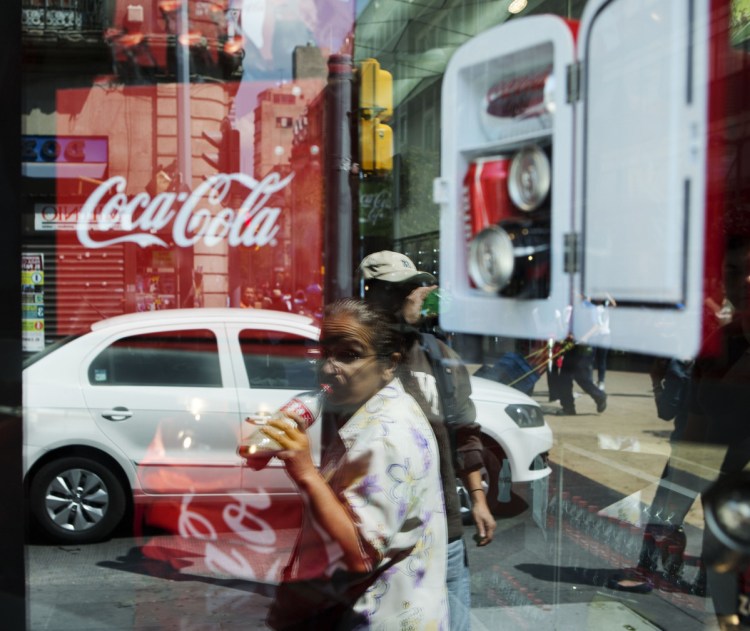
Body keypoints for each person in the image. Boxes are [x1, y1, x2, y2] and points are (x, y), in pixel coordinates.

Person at [262, 298, 449, 630]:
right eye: (324, 352)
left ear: (389, 364)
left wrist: (305, 471)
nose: (328, 367)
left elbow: (358, 556)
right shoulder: (371, 412)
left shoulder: (385, 435)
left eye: (349, 355)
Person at [357, 250, 496, 631]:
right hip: (382, 536)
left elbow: (464, 431)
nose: (417, 294)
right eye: (405, 288)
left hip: (444, 529)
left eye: (416, 285)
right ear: (375, 294)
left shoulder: (437, 356)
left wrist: (478, 499)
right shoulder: (355, 359)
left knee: (456, 622)